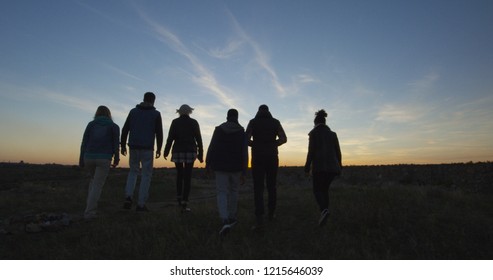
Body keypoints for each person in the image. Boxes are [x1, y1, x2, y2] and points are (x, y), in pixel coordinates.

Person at [206, 109, 248, 237]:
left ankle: (224, 218)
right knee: (234, 191)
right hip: (236, 167)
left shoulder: (219, 130)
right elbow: (244, 152)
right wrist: (244, 170)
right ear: (237, 117)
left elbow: (212, 146)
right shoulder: (241, 132)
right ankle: (231, 216)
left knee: (222, 192)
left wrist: (208, 163)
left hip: (220, 166)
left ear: (227, 117)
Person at [246, 104, 287, 229]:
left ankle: (259, 215)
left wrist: (255, 144)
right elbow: (284, 138)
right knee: (271, 186)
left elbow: (246, 139)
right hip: (272, 157)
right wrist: (273, 144)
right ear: (269, 111)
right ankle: (271, 213)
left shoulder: (253, 122)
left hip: (257, 157)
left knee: (258, 187)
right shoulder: (275, 122)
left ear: (258, 111)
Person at [120, 92, 163, 212]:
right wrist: (159, 148)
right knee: (146, 175)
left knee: (133, 172)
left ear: (143, 99)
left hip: (133, 146)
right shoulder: (156, 114)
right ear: (153, 101)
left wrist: (123, 145)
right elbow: (159, 133)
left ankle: (128, 197)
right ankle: (141, 203)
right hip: (147, 148)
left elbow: (125, 129)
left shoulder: (133, 112)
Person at [79, 105, 120, 219]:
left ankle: (89, 207)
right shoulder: (114, 126)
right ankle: (89, 212)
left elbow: (84, 142)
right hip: (104, 158)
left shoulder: (91, 125)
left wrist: (81, 158)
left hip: (88, 157)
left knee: (93, 181)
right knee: (97, 184)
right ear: (109, 114)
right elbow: (116, 144)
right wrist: (117, 158)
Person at [304, 109, 342, 226]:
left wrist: (307, 166)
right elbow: (338, 152)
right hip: (332, 168)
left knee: (317, 190)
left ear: (315, 123)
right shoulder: (333, 134)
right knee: (324, 190)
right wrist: (340, 166)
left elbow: (311, 151)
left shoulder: (314, 134)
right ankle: (325, 213)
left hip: (319, 168)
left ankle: (324, 210)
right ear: (325, 123)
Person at [164, 104, 203, 212]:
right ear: (189, 111)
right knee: (188, 176)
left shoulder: (175, 122)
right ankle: (185, 201)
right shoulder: (194, 122)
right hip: (190, 151)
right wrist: (200, 154)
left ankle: (179, 199)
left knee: (179, 175)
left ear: (179, 112)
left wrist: (166, 151)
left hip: (178, 151)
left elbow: (170, 137)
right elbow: (199, 139)